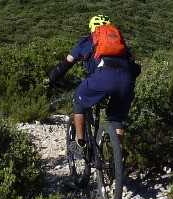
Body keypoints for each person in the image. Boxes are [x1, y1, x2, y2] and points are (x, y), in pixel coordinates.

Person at [45, 14, 137, 150]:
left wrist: (51, 80)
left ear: (92, 28)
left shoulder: (86, 41)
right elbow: (134, 66)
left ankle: (81, 143)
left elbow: (64, 66)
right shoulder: (120, 44)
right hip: (126, 79)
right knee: (116, 119)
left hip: (102, 77)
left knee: (78, 100)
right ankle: (117, 159)